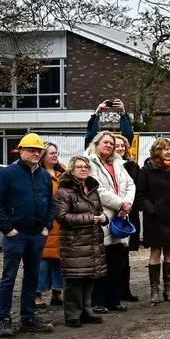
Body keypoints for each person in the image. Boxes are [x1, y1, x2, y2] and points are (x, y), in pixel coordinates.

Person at [0, 134, 55, 336]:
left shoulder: (44, 176)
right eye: (31, 149)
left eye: (38, 150)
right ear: (21, 150)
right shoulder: (9, 174)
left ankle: (28, 318)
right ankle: (3, 319)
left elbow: (51, 203)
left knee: (32, 277)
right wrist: (8, 228)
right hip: (16, 234)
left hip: (36, 234)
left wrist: (46, 226)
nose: (35, 153)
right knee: (8, 278)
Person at [54, 156, 107, 328]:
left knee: (89, 278)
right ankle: (72, 315)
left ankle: (87, 311)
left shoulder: (92, 188)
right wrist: (90, 218)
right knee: (75, 280)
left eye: (86, 167)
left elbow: (99, 210)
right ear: (71, 169)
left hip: (92, 240)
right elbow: (62, 217)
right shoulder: (64, 190)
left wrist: (104, 217)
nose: (83, 169)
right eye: (79, 167)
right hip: (74, 241)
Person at [86, 132, 133, 314]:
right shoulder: (90, 162)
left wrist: (126, 205)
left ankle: (114, 300)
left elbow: (131, 185)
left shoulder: (119, 164)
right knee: (100, 262)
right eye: (105, 142)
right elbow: (98, 190)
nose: (109, 146)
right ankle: (98, 301)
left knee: (116, 261)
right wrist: (121, 203)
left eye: (112, 143)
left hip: (120, 216)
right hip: (102, 215)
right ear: (97, 143)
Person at [136, 138, 170, 305]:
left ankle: (168, 290)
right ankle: (154, 291)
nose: (169, 152)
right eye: (165, 149)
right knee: (155, 252)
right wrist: (152, 210)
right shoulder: (146, 170)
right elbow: (140, 195)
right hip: (155, 219)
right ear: (156, 151)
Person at [36, 143, 65, 311]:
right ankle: (37, 293)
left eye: (56, 153)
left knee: (59, 260)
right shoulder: (38, 174)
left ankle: (57, 290)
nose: (55, 156)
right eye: (51, 153)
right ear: (43, 156)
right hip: (45, 222)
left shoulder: (63, 173)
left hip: (61, 223)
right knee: (42, 261)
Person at [113, 134, 142, 302]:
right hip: (114, 212)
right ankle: (114, 290)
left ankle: (125, 290)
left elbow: (135, 189)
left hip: (129, 213)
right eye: (117, 145)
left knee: (125, 254)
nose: (120, 148)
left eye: (122, 145)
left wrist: (129, 207)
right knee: (114, 253)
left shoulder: (132, 166)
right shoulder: (107, 165)